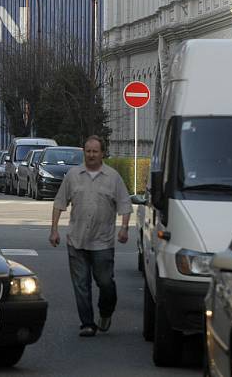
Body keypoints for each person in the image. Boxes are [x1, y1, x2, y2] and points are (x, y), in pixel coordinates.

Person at [49, 135, 132, 337]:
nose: (91, 155)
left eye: (95, 151)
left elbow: (124, 204)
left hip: (102, 241)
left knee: (105, 283)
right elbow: (60, 202)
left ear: (102, 153)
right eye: (88, 151)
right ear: (84, 152)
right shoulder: (73, 175)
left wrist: (124, 228)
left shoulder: (113, 177)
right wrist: (54, 229)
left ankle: (105, 312)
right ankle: (87, 323)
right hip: (76, 240)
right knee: (81, 285)